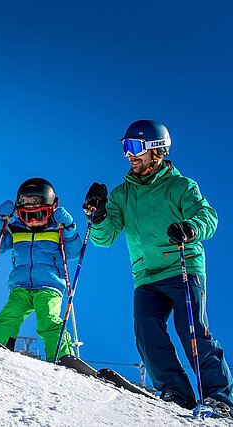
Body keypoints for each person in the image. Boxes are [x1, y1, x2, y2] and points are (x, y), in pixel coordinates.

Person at [83, 119, 233, 416]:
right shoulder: (122, 195)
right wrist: (98, 216)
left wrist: (190, 228)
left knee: (191, 330)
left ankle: (220, 397)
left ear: (157, 150)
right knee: (146, 331)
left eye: (135, 147)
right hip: (146, 276)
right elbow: (105, 238)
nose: (129, 154)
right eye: (125, 147)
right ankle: (176, 390)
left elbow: (208, 216)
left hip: (182, 267)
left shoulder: (180, 186)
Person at [0, 178, 82, 362]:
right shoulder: (15, 229)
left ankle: (61, 355)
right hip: (20, 287)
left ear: (51, 209)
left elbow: (73, 252)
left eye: (39, 215)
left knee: (49, 321)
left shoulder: (57, 230)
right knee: (7, 317)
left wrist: (69, 228)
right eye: (25, 216)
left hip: (49, 287)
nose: (32, 221)